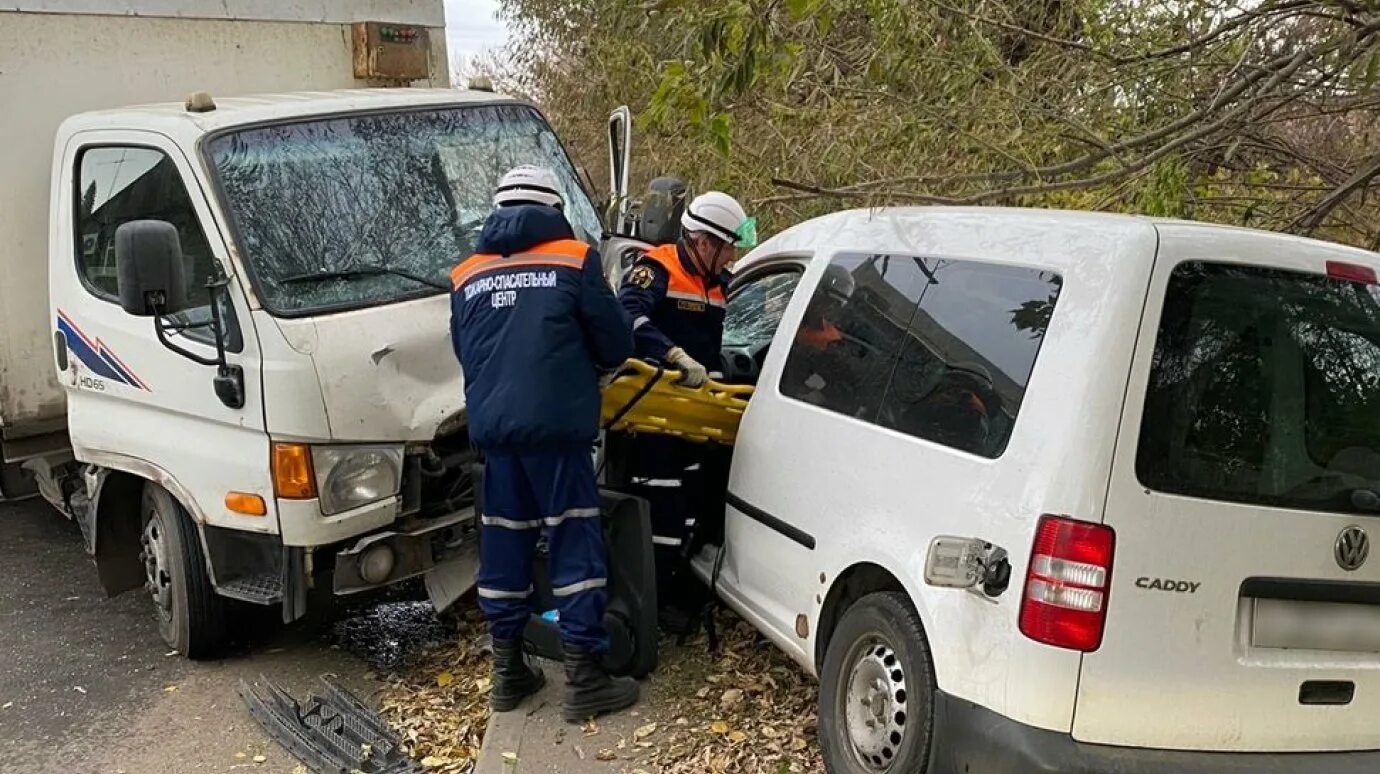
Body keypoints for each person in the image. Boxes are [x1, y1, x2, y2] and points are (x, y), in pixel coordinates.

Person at [450, 165, 639, 722]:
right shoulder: (573, 259)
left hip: (496, 436)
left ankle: (507, 672)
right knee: (574, 545)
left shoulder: (466, 274)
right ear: (553, 210)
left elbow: (467, 350)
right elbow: (615, 340)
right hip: (558, 434)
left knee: (504, 547)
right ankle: (584, 679)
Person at [616, 190, 754, 633]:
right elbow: (628, 317)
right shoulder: (655, 268)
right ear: (703, 242)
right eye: (728, 246)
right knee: (665, 513)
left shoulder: (722, 285)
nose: (732, 255)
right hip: (657, 415)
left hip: (700, 416)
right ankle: (648, 609)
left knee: (699, 505)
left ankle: (678, 598)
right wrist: (672, 354)